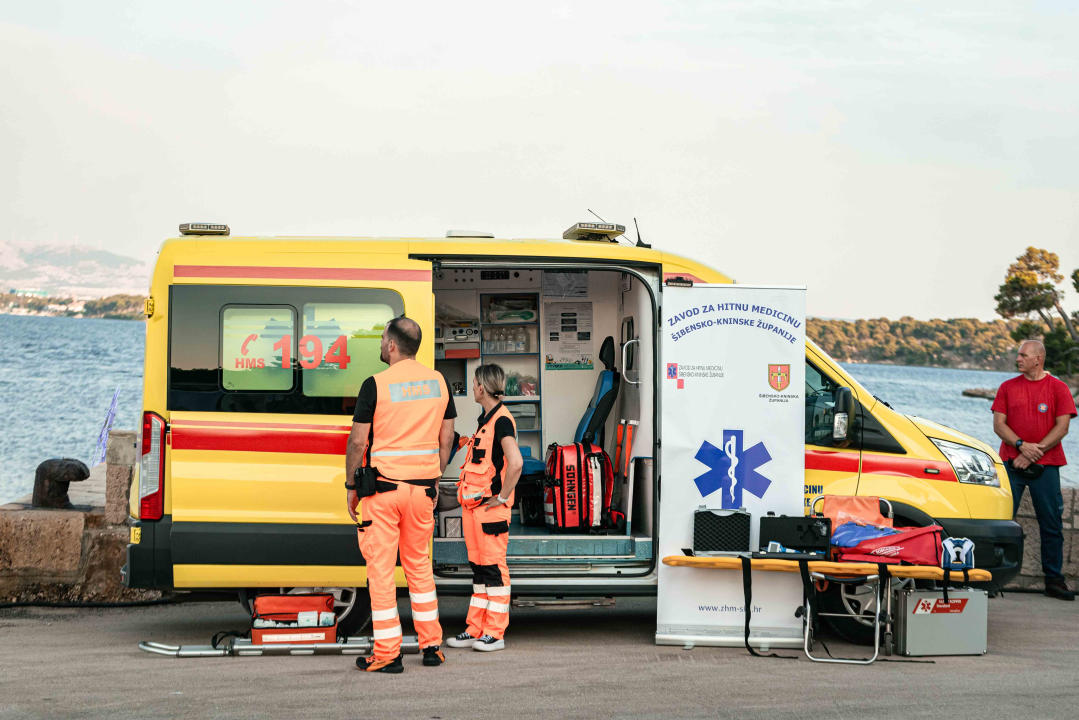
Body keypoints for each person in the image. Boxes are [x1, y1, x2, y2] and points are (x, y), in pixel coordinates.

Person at [345, 317, 458, 673]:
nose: (381, 345)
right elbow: (447, 438)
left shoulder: (375, 384)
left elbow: (358, 441)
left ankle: (388, 653)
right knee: (419, 568)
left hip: (383, 491)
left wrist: (351, 486)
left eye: (382, 340)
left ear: (392, 345)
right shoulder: (439, 382)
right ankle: (432, 646)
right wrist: (435, 475)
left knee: (380, 571)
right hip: (423, 490)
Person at [445, 364, 523, 652]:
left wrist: (502, 497)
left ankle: (495, 634)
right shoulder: (486, 419)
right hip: (474, 509)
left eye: (475, 382)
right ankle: (475, 628)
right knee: (478, 571)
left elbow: (515, 463)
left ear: (482, 387)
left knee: (493, 571)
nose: (473, 386)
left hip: (490, 511)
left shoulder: (501, 420)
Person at [992, 339, 1076, 601]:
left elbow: (1062, 428)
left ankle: (1054, 579)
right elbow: (999, 425)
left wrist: (1031, 453)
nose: (1018, 359)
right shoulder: (1007, 387)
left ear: (1038, 359)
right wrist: (1020, 445)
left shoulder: (1058, 389)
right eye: (1018, 355)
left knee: (1051, 524)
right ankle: (992, 579)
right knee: (1002, 522)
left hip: (1047, 466)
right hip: (1010, 462)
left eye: (1023, 355)